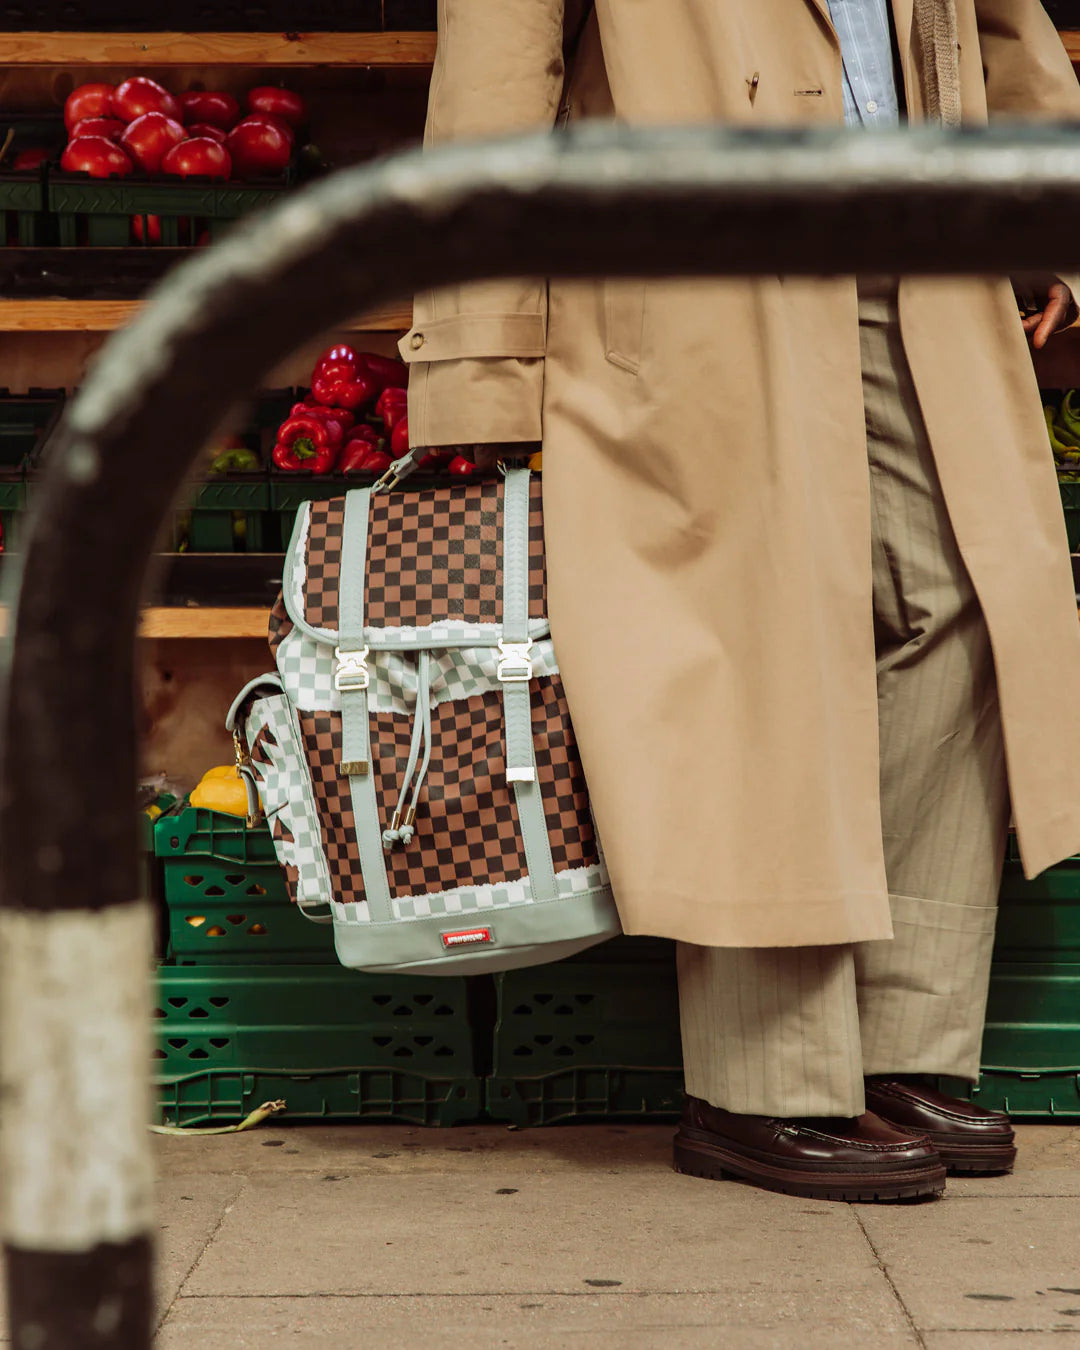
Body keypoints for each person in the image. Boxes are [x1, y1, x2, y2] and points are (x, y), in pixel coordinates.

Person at [399, 0, 1080, 1202]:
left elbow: (998, 17)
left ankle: (898, 1046)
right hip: (698, 272)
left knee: (965, 598)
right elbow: (495, 74)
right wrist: (478, 353)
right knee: (763, 644)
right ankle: (766, 1081)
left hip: (924, 241)